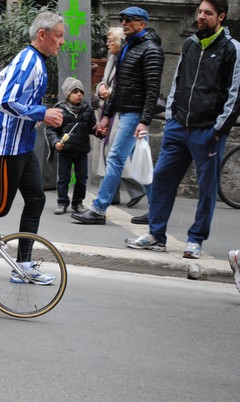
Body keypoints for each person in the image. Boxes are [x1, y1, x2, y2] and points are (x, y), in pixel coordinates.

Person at [126, 0, 240, 259]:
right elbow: (177, 82)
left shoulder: (231, 49)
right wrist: (170, 119)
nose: (201, 17)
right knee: (162, 179)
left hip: (208, 131)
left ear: (221, 17)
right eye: (199, 12)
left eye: (207, 13)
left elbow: (235, 93)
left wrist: (218, 130)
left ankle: (196, 239)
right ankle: (156, 235)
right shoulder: (189, 44)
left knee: (206, 188)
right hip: (178, 127)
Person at [0, 11, 65, 285]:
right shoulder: (28, 62)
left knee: (36, 200)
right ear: (42, 35)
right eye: (58, 36)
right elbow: (4, 101)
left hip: (22, 145)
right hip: (10, 146)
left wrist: (29, 116)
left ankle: (23, 265)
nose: (61, 42)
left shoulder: (33, 59)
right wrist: (39, 114)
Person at [71, 6, 163, 225]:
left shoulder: (151, 50)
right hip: (126, 112)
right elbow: (119, 86)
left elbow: (152, 90)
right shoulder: (129, 48)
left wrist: (144, 121)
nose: (124, 23)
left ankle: (99, 209)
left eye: (129, 20)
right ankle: (158, 211)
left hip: (134, 115)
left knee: (115, 158)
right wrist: (106, 116)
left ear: (142, 23)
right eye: (122, 19)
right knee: (144, 163)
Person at [95, 26, 147, 210]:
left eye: (110, 40)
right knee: (111, 155)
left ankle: (135, 189)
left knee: (114, 155)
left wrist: (109, 92)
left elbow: (124, 87)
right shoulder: (113, 59)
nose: (108, 43)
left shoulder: (128, 58)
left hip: (120, 112)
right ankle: (112, 195)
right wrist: (101, 89)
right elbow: (104, 81)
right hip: (109, 111)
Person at [46, 77, 96, 215]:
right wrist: (56, 142)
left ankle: (78, 203)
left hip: (81, 150)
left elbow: (93, 128)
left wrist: (100, 131)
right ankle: (62, 203)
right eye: (75, 91)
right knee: (63, 178)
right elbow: (51, 130)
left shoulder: (88, 109)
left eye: (81, 91)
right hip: (65, 150)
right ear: (68, 94)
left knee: (82, 178)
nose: (79, 94)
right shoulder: (59, 109)